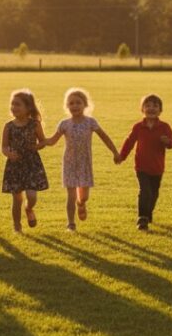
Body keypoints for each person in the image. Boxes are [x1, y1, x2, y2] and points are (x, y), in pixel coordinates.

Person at [43, 88, 119, 231]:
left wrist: (115, 152)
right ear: (67, 106)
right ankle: (71, 224)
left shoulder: (91, 122)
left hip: (85, 164)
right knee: (70, 195)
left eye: (78, 103)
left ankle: (81, 204)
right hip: (69, 164)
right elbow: (52, 141)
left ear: (85, 105)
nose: (75, 106)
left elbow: (104, 137)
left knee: (83, 197)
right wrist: (39, 142)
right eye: (71, 103)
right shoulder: (64, 124)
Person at [115, 94, 172, 231]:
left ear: (160, 110)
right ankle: (142, 218)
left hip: (157, 167)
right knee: (145, 191)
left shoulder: (164, 127)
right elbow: (129, 142)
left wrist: (168, 142)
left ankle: (148, 213)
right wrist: (121, 156)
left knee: (154, 193)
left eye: (155, 106)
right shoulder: (138, 127)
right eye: (148, 106)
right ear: (142, 109)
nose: (151, 108)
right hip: (141, 166)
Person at [1, 90, 49, 233]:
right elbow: (3, 146)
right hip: (14, 166)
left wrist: (35, 147)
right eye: (12, 104)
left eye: (18, 104)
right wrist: (9, 154)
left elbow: (43, 142)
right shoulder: (8, 126)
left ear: (28, 107)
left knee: (31, 196)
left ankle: (29, 208)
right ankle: (17, 226)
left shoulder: (35, 124)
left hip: (31, 164)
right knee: (17, 199)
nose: (14, 107)